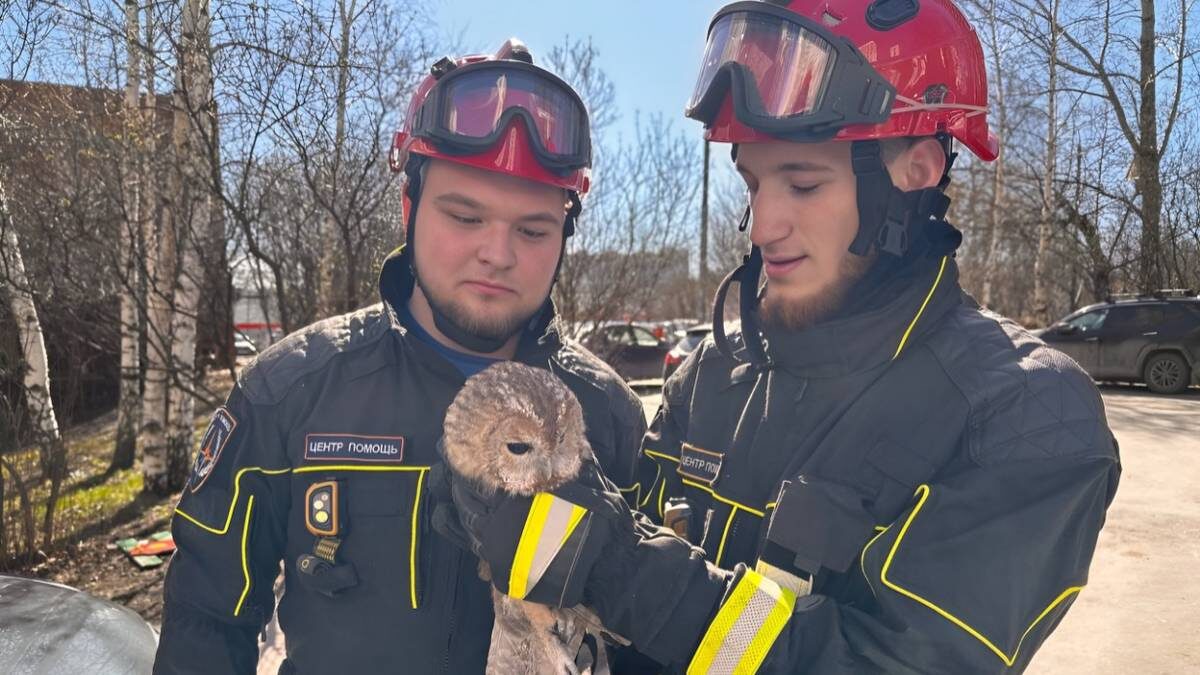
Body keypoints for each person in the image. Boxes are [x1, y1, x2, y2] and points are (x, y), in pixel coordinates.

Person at [438, 2, 1121, 673]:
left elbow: (881, 662)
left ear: (914, 171)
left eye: (802, 182)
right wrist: (531, 523)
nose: (763, 225)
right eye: (754, 181)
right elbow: (617, 579)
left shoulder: (1024, 415)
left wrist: (615, 562)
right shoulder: (712, 372)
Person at [153, 40, 646, 674]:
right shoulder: (291, 392)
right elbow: (206, 618)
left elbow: (643, 642)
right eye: (465, 217)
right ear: (409, 207)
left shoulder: (609, 416)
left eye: (531, 229)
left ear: (564, 235)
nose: (498, 253)